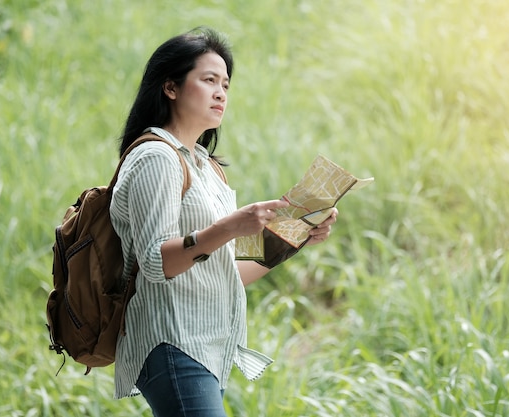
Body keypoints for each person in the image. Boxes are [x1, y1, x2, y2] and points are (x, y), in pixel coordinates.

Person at [109, 27, 338, 416]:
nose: (220, 93)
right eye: (209, 80)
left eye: (226, 85)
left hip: (206, 347)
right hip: (172, 342)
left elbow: (225, 271)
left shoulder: (207, 167)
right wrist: (230, 226)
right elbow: (154, 262)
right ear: (171, 87)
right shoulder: (156, 158)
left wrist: (295, 235)